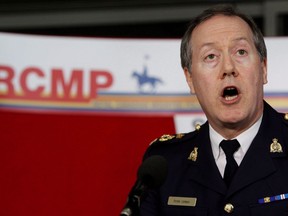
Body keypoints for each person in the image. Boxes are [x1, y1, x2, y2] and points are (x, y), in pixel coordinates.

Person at [139, 4, 288, 216]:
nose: (228, 68)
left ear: (263, 68)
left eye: (241, 51)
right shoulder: (166, 164)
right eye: (211, 56)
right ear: (190, 79)